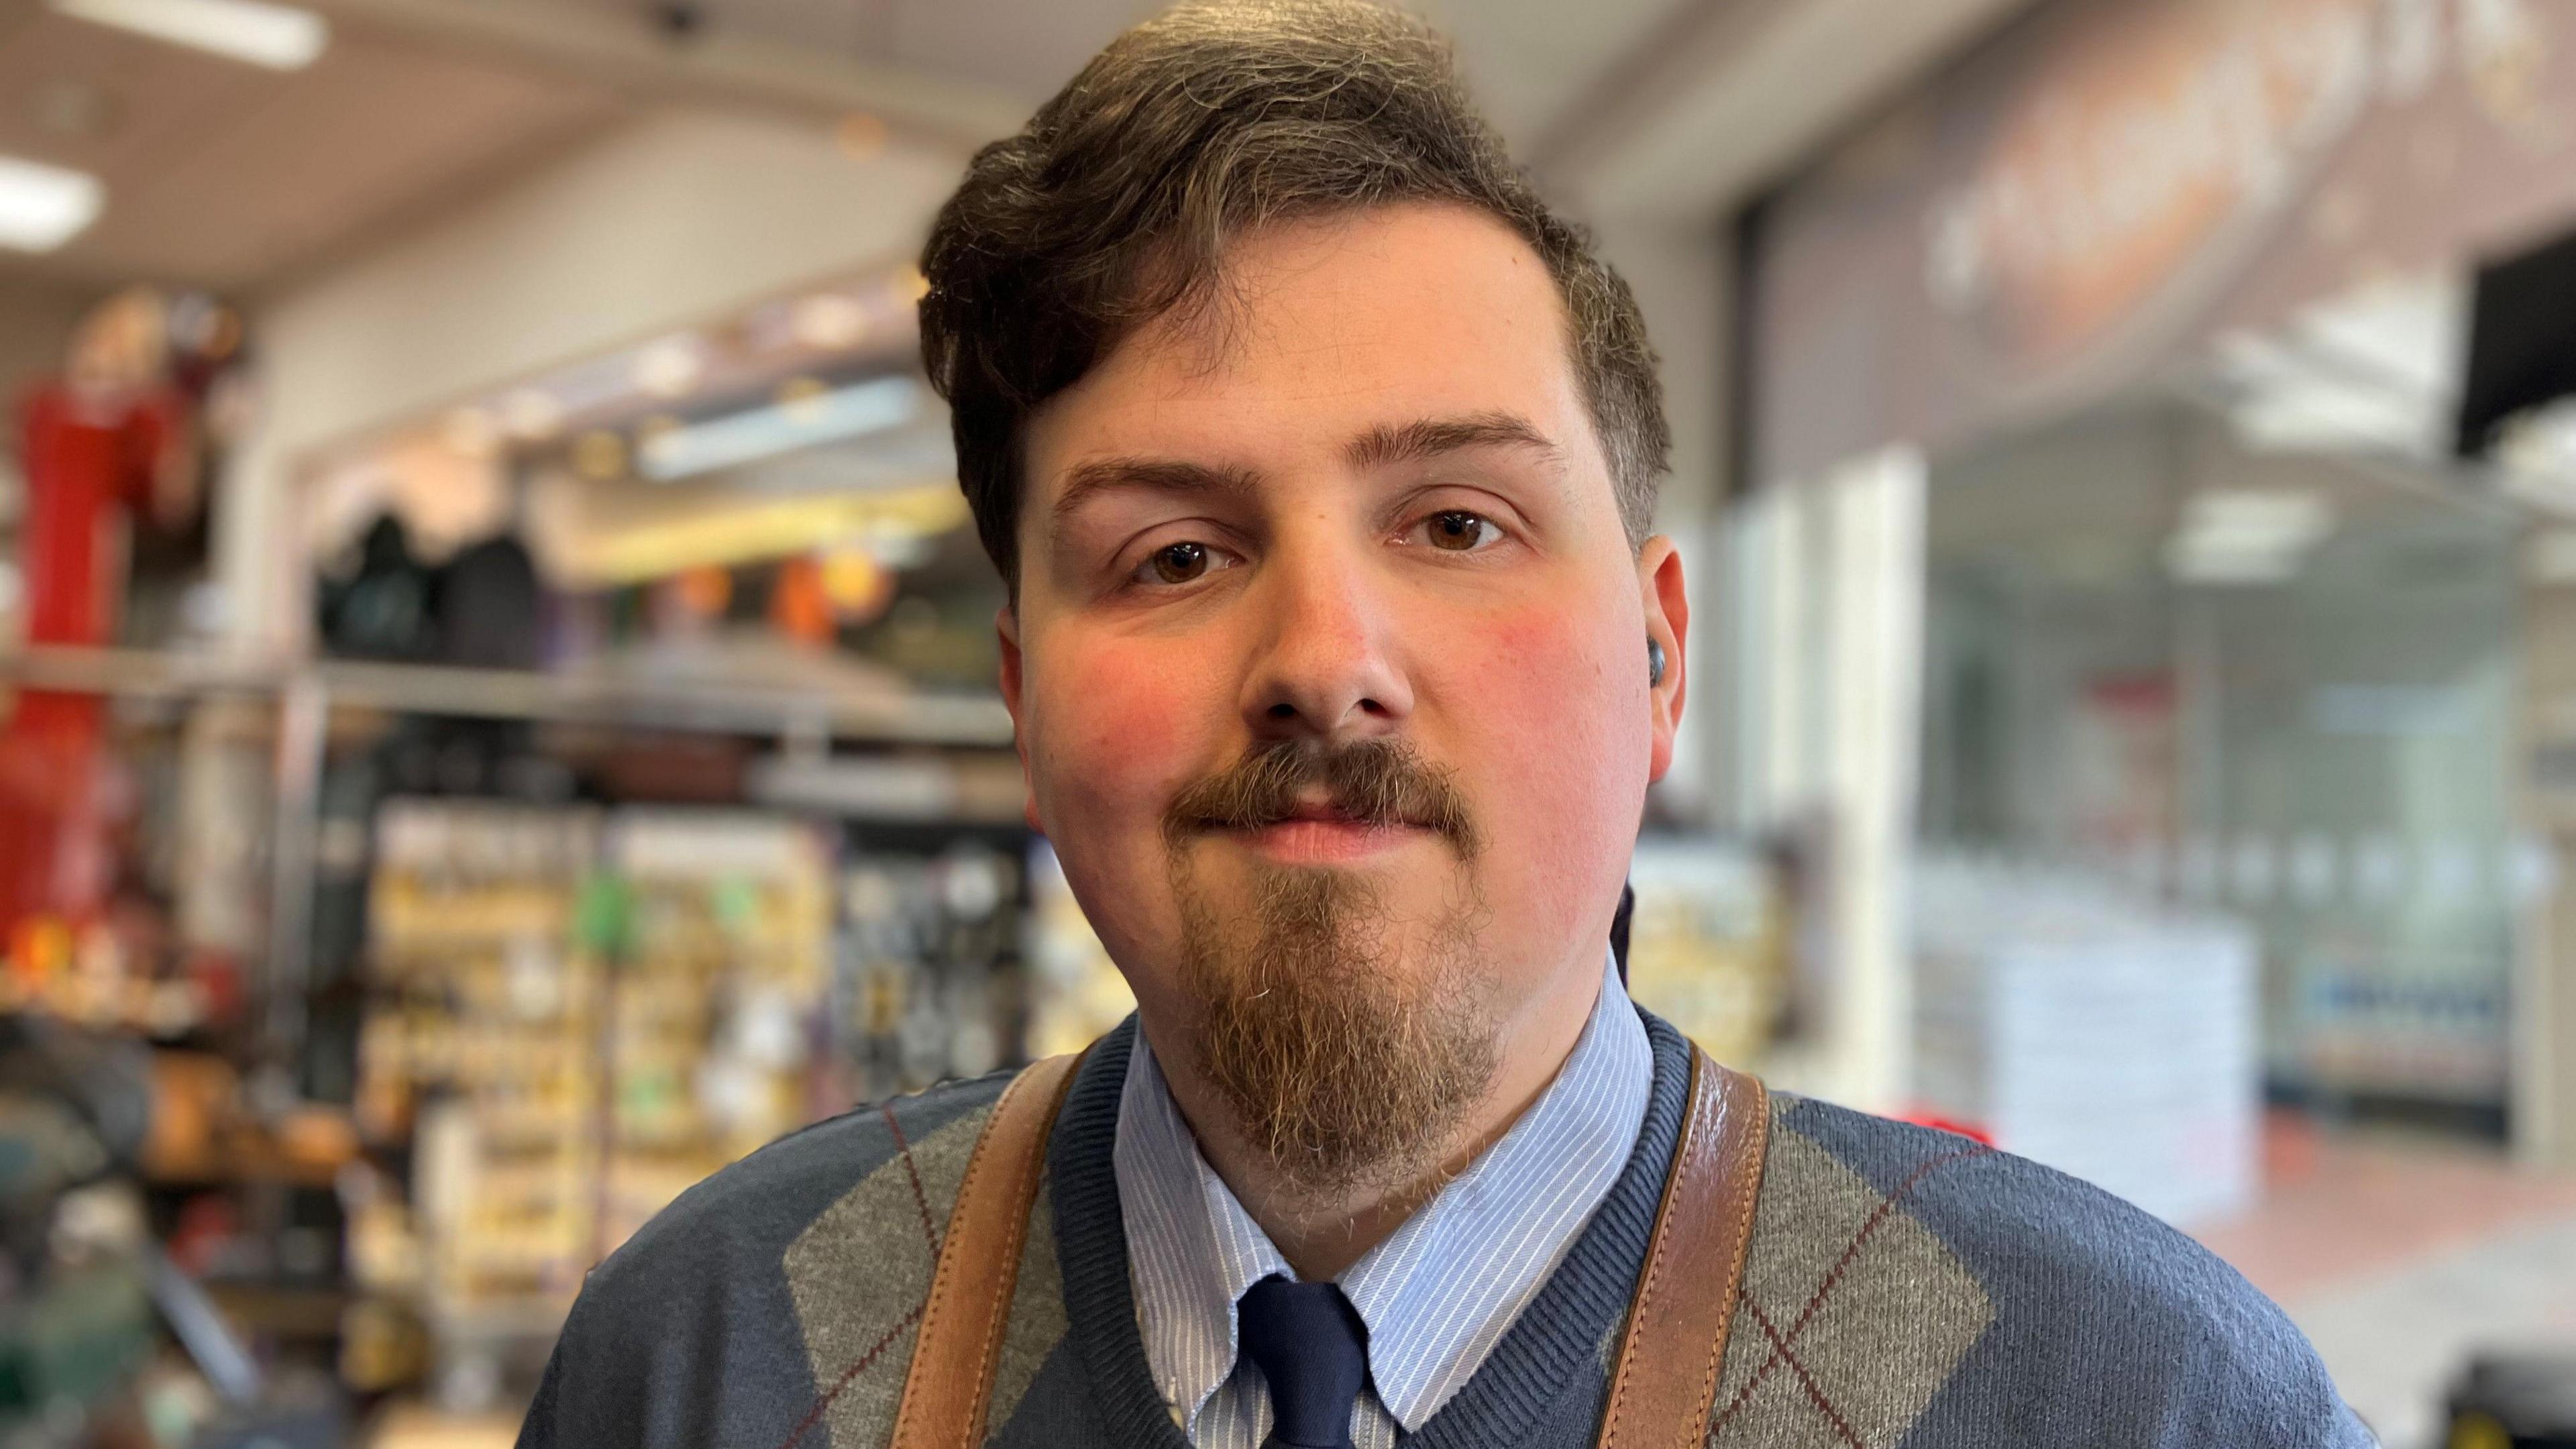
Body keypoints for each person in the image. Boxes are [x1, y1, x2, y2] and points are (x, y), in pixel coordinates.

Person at [517, 4, 2374, 1446]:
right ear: (1022, 697)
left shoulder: (2121, 1400)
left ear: (1660, 661)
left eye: (1459, 523)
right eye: (1173, 552)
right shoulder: (718, 1358)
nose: (1327, 657)